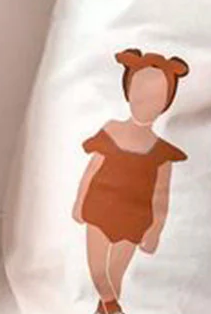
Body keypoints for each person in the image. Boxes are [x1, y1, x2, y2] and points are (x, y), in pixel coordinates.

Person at [73, 50, 189, 314]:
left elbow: (162, 194)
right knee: (98, 270)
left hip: (135, 220)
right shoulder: (111, 130)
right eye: (140, 94)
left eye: (156, 98)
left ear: (165, 103)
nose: (146, 103)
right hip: (98, 209)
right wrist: (79, 202)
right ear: (128, 91)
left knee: (115, 274)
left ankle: (105, 309)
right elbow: (92, 169)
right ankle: (112, 307)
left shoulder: (161, 152)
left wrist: (155, 230)